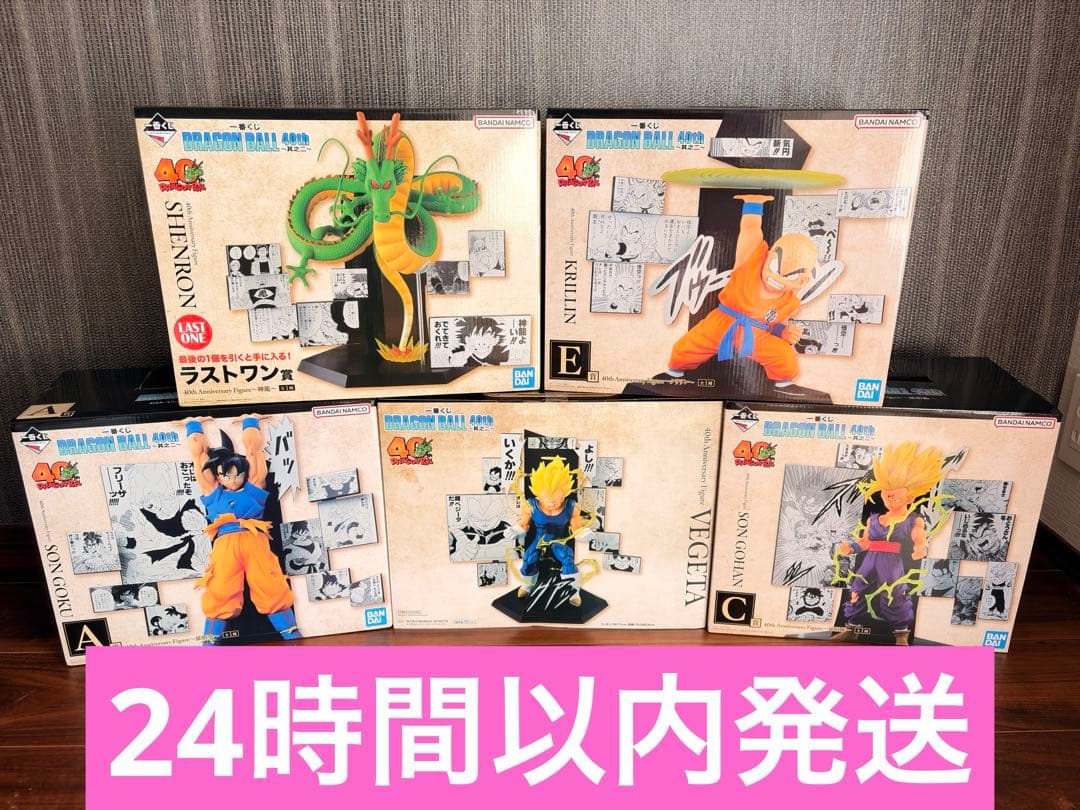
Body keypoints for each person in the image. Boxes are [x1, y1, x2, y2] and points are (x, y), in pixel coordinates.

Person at [666, 194, 819, 397]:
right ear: (769, 256)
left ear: (801, 281)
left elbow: (775, 325)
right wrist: (753, 204)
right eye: (774, 266)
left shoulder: (789, 301)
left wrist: (784, 332)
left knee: (785, 357)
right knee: (685, 347)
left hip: (756, 335)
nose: (775, 277)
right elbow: (750, 231)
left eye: (788, 276)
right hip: (721, 323)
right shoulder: (750, 264)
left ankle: (783, 385)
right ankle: (673, 374)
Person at [187, 416, 300, 644]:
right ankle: (209, 642)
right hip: (225, 545)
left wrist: (250, 422)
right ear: (218, 477)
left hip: (254, 540)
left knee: (270, 586)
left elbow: (254, 452)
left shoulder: (253, 489)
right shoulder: (214, 494)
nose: (232, 479)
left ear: (244, 472)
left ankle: (293, 636)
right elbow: (199, 459)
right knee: (220, 590)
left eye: (237, 474)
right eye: (225, 475)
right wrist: (193, 426)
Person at [832, 442, 945, 645]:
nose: (889, 496)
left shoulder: (913, 519)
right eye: (886, 493)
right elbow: (866, 541)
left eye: (895, 494)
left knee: (894, 593)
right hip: (869, 560)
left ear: (909, 497)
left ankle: (901, 635)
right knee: (857, 588)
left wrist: (921, 547)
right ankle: (852, 629)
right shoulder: (874, 518)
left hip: (892, 562)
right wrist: (852, 547)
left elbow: (919, 536)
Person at [514, 457, 592, 606]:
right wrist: (516, 530)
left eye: (556, 499)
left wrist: (582, 534)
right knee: (528, 558)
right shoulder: (530, 506)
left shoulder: (571, 506)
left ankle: (573, 591)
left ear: (564, 495)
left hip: (558, 539)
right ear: (538, 495)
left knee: (567, 559)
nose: (551, 503)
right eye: (546, 499)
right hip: (539, 537)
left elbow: (576, 527)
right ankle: (527, 585)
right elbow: (524, 525)